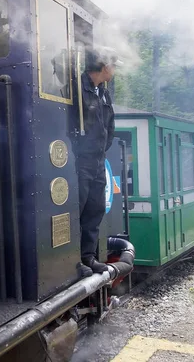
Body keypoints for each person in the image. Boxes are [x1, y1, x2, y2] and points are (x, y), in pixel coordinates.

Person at [72, 46, 123, 274]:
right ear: (104, 67)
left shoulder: (103, 92)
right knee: (78, 208)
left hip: (98, 160)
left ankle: (88, 257)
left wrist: (101, 150)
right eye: (113, 66)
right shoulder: (76, 89)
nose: (114, 71)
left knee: (96, 208)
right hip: (81, 160)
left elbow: (109, 126)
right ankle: (73, 259)